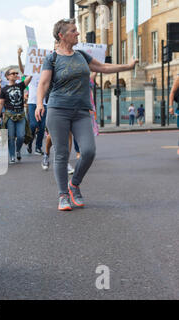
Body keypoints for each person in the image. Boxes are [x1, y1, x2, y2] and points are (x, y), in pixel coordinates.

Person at [36, 18, 138, 211]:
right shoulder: (52, 58)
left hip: (81, 111)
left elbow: (103, 68)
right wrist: (39, 103)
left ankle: (74, 184)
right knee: (61, 153)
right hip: (58, 110)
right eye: (74, 31)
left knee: (89, 151)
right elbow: (43, 83)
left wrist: (128, 66)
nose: (78, 33)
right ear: (62, 35)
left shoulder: (81, 55)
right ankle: (63, 195)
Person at [0, 68, 32, 163]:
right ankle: (12, 156)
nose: (15, 74)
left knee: (21, 136)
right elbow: (0, 103)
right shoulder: (4, 89)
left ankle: (18, 150)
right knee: (10, 137)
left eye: (16, 73)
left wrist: (32, 68)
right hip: (10, 115)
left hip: (20, 114)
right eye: (13, 73)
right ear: (7, 76)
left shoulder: (20, 85)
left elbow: (29, 77)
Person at [18, 47, 46, 156]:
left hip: (44, 103)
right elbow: (21, 69)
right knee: (33, 125)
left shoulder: (46, 73)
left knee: (42, 126)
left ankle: (38, 147)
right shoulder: (31, 74)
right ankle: (30, 142)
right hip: (32, 102)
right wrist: (19, 56)